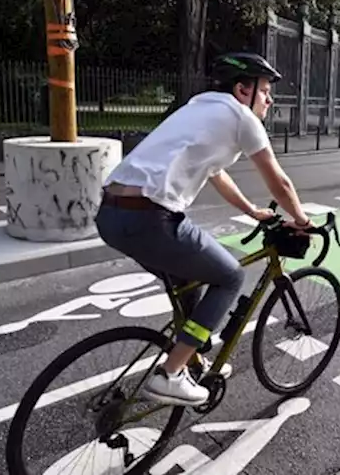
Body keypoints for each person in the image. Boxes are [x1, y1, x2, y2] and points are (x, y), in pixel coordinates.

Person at [95, 52, 313, 406]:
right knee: (229, 277)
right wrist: (302, 220)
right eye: (266, 91)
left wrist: (250, 210)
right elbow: (280, 183)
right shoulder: (242, 117)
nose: (270, 100)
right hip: (150, 217)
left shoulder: (201, 106)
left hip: (110, 214)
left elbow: (215, 171)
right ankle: (169, 374)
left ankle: (190, 358)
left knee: (187, 281)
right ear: (243, 90)